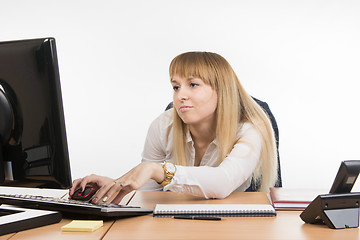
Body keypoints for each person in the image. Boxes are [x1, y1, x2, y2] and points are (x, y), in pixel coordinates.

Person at [69, 51, 278, 204]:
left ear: (222, 90)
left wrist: (158, 170)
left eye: (193, 84)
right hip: (179, 225)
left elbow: (222, 183)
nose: (180, 95)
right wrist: (114, 186)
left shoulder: (250, 127)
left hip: (238, 226)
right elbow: (149, 195)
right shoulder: (163, 125)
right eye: (176, 86)